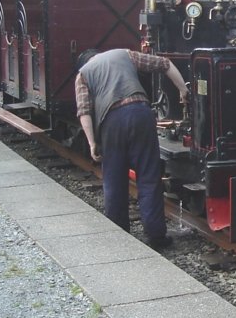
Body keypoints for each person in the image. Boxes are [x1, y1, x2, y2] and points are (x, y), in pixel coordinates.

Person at [75, 48, 188, 249]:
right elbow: (165, 64)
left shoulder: (83, 74)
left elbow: (84, 112)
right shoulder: (123, 54)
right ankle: (156, 236)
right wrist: (183, 90)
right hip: (140, 113)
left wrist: (92, 143)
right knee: (149, 177)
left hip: (111, 122)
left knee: (114, 180)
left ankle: (119, 236)